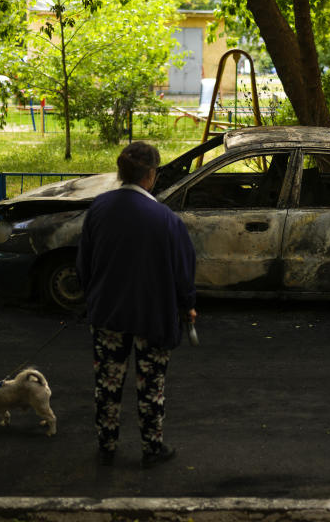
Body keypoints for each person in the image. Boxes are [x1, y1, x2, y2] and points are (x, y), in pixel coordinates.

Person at [76, 141, 197, 468]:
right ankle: (152, 447)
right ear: (151, 176)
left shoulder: (98, 209)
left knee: (108, 383)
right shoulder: (165, 219)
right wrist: (188, 306)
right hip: (152, 316)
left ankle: (107, 445)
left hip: (108, 314)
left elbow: (83, 265)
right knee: (151, 385)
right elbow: (183, 272)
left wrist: (94, 298)